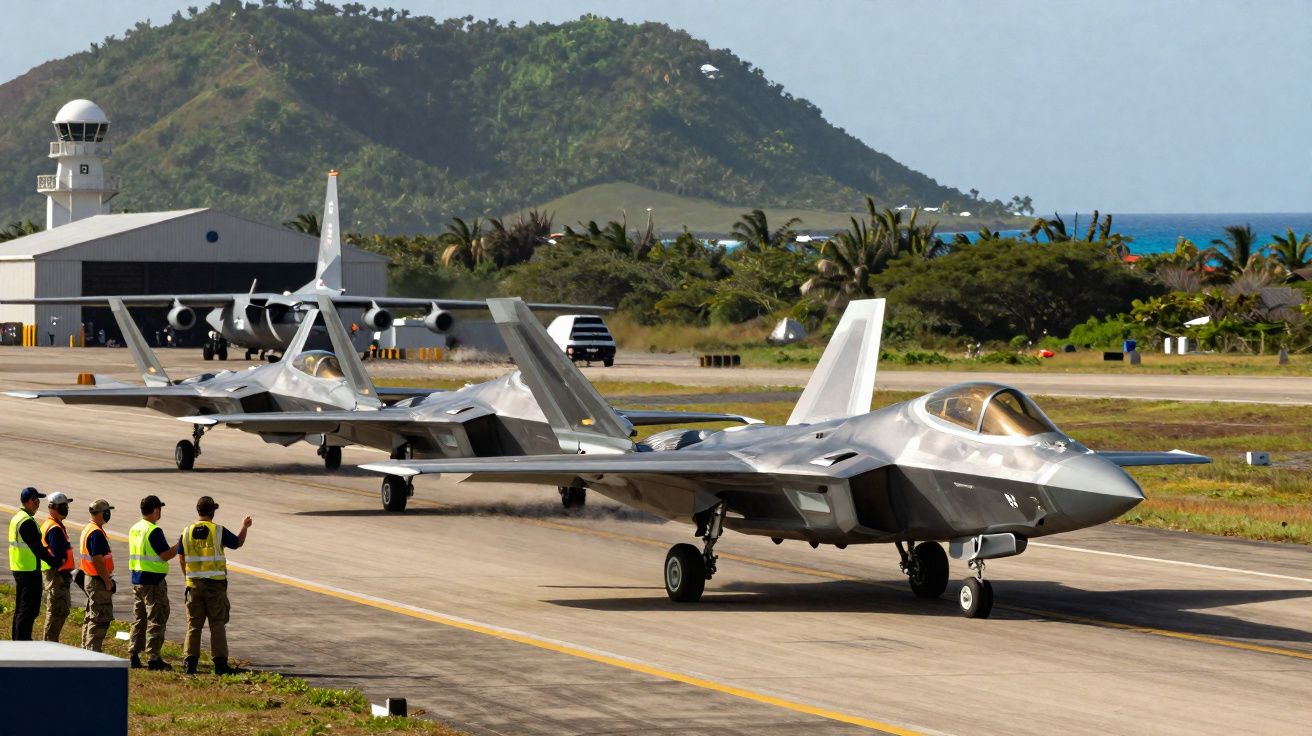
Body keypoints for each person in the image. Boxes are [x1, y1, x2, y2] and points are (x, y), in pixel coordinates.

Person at [179, 496, 251, 675]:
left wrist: (188, 577)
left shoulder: (186, 532)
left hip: (193, 585)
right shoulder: (218, 531)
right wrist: (244, 526)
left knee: (194, 625)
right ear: (212, 512)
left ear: (198, 511)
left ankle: (190, 663)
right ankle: (220, 664)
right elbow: (237, 542)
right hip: (215, 586)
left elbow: (181, 556)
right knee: (217, 624)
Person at [128, 495, 179, 670]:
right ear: (156, 510)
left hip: (137, 579)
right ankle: (153, 657)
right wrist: (179, 545)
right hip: (153, 581)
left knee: (139, 618)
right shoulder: (153, 530)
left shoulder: (135, 528)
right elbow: (165, 555)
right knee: (157, 617)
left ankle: (134, 654)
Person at [8, 487, 62, 640]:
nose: (38, 503)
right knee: (28, 610)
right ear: (30, 500)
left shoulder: (18, 517)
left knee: (21, 609)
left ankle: (18, 640)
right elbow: (37, 548)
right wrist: (54, 562)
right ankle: (23, 641)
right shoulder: (26, 522)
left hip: (21, 568)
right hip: (29, 571)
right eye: (37, 499)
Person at [79, 499, 116, 652]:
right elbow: (98, 560)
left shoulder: (89, 528)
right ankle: (93, 652)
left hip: (90, 578)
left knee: (91, 617)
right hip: (98, 581)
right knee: (99, 619)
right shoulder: (96, 533)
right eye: (108, 511)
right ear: (103, 513)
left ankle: (86, 649)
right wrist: (107, 581)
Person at [40, 492, 76, 642]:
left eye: (66, 506)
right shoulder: (54, 528)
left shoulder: (55, 525)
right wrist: (62, 566)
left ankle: (51, 642)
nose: (66, 509)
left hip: (57, 574)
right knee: (57, 611)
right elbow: (57, 554)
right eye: (62, 506)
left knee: (60, 610)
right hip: (56, 575)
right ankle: (49, 644)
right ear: (52, 507)